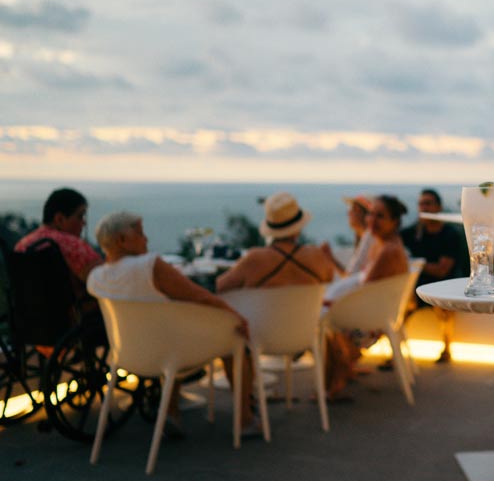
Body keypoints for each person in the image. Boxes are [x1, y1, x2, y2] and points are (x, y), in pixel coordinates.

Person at [86, 211, 254, 439]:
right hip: (168, 354)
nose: (146, 239)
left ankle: (171, 411)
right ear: (121, 240)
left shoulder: (96, 278)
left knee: (172, 333)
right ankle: (245, 419)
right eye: (140, 233)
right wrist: (236, 317)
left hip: (126, 356)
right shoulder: (149, 266)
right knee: (233, 339)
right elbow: (199, 296)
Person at [322, 195, 411, 398]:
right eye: (370, 214)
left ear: (394, 221)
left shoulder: (388, 251)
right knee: (325, 316)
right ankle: (339, 376)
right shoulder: (381, 243)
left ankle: (334, 383)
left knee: (325, 322)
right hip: (378, 312)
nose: (371, 220)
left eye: (380, 216)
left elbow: (363, 290)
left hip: (372, 322)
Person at [215, 192, 336, 293]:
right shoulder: (318, 256)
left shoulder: (254, 259)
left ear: (270, 229)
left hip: (261, 316)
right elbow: (332, 286)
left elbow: (219, 287)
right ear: (299, 227)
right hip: (308, 316)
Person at [400, 189, 467, 364]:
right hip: (418, 285)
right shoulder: (411, 233)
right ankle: (396, 353)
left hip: (444, 284)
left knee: (444, 307)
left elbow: (442, 271)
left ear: (438, 207)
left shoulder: (450, 234)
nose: (424, 207)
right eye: (421, 204)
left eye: (428, 203)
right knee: (399, 306)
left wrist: (417, 264)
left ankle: (447, 348)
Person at [15, 188, 103, 301]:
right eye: (80, 216)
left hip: (30, 311)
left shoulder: (21, 245)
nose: (84, 223)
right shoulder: (72, 244)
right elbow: (104, 281)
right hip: (76, 310)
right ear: (59, 219)